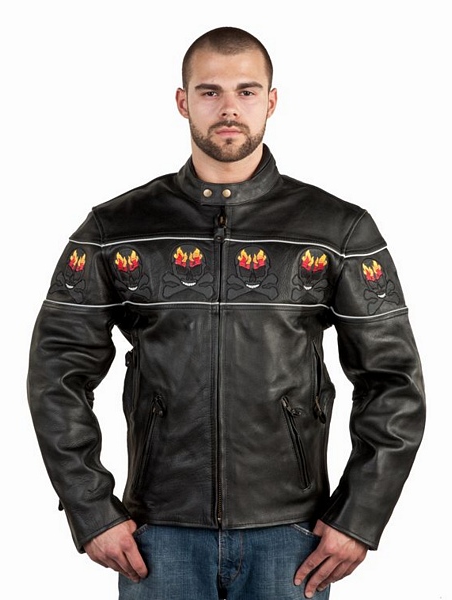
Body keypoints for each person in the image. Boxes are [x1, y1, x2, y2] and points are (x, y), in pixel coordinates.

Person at [27, 26, 426, 600]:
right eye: (210, 91)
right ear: (183, 101)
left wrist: (360, 515)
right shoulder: (116, 229)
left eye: (246, 91)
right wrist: (90, 510)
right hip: (156, 534)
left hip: (293, 535)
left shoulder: (338, 230)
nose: (229, 108)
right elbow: (56, 372)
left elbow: (393, 381)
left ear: (272, 100)